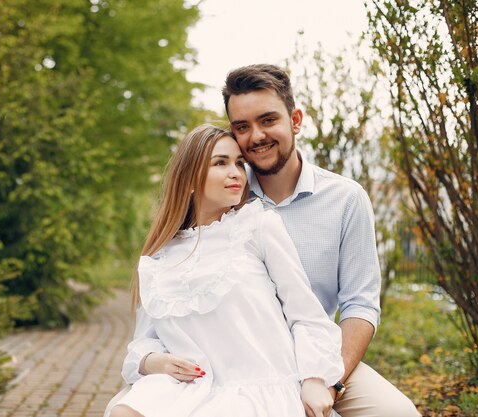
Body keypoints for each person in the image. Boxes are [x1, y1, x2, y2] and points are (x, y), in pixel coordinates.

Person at [222, 64, 419, 417]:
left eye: (268, 120)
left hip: (319, 356)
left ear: (295, 120)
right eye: (242, 127)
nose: (255, 137)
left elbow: (360, 303)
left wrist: (332, 380)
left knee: (398, 413)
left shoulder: (346, 199)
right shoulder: (224, 196)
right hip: (240, 357)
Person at [106, 124, 344, 417]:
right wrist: (153, 361)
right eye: (221, 163)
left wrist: (315, 379)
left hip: (262, 388)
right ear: (190, 179)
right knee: (123, 412)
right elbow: (145, 340)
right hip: (192, 387)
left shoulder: (258, 225)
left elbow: (305, 313)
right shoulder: (161, 256)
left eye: (239, 163)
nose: (236, 172)